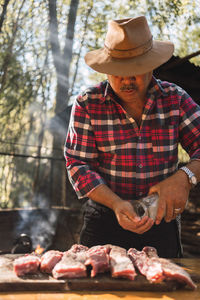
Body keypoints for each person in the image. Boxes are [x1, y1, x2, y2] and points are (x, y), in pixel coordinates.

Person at [64, 16, 200, 258]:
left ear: (151, 66)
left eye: (135, 70)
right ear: (107, 70)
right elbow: (77, 163)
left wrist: (185, 177)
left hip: (161, 222)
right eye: (118, 72)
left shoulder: (175, 99)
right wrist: (116, 203)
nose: (126, 80)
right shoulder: (87, 103)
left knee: (166, 289)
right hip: (104, 219)